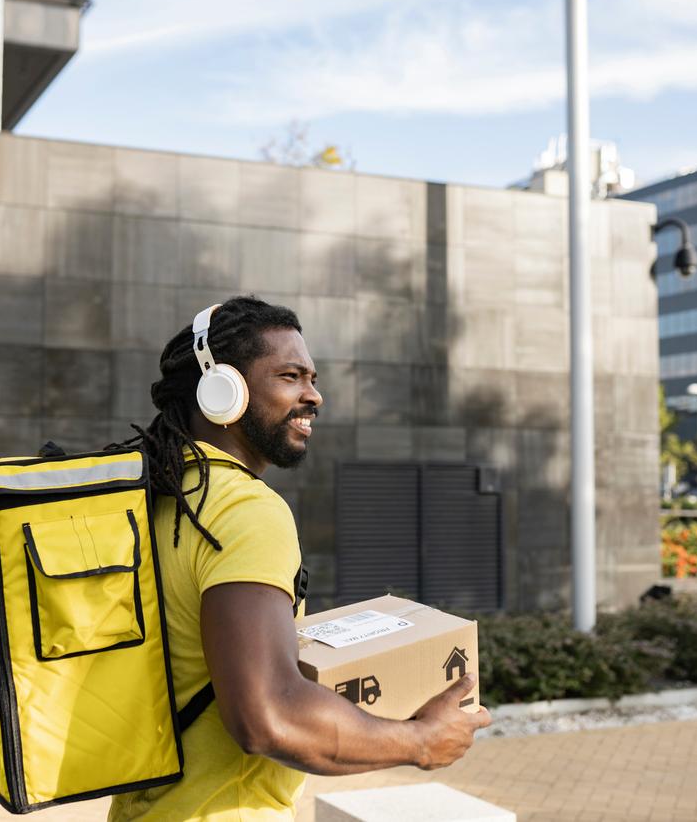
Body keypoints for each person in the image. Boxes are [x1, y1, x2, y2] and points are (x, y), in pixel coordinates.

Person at [108, 296, 492, 821]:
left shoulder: (163, 497)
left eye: (311, 378)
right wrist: (420, 740)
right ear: (223, 390)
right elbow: (268, 717)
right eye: (290, 376)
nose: (314, 396)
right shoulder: (243, 510)